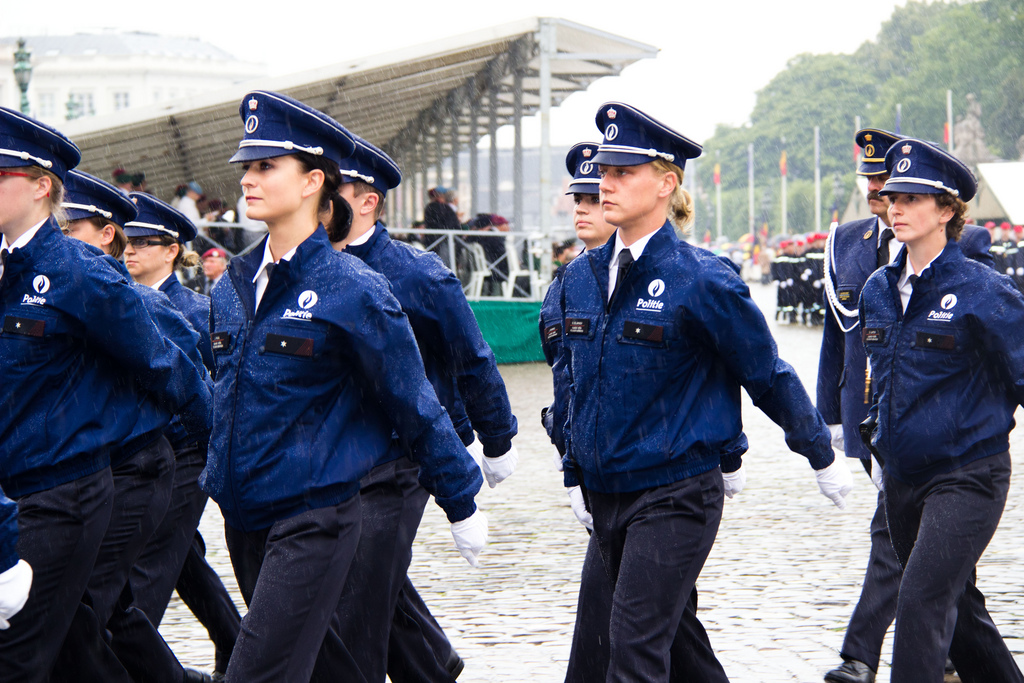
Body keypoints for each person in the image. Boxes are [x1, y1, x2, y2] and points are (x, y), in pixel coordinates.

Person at [559, 102, 852, 683]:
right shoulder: (579, 278)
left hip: (675, 492)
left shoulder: (703, 279)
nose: (605, 185)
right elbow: (574, 385)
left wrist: (819, 450)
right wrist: (573, 468)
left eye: (623, 173)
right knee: (664, 648)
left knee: (633, 652)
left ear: (667, 183)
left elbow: (764, 371)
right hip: (606, 492)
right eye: (604, 174)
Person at [201, 90, 486, 683]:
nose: (248, 180)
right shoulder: (231, 286)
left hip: (314, 517)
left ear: (312, 182)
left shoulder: (352, 288)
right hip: (243, 515)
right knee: (333, 670)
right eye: (247, 167)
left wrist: (461, 497)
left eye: (265, 166)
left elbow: (412, 399)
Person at [0, 106, 211, 682]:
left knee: (19, 659)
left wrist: (213, 459)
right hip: (17, 491)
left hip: (63, 494)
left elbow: (164, 364)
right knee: (74, 647)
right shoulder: (6, 269)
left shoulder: (79, 272)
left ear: (43, 186)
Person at [314, 134, 518, 682]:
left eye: (334, 189)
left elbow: (472, 357)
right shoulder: (306, 272)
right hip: (330, 461)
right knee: (370, 583)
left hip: (401, 460)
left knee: (354, 606)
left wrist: (496, 441)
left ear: (367, 202)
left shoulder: (417, 274)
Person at [819, 129, 992, 683]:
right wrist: (837, 423)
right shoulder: (851, 252)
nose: (884, 196)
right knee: (949, 584)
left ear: (944, 207)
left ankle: (860, 655)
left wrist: (976, 424)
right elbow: (838, 339)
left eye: (896, 187)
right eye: (878, 185)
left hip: (951, 448)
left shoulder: (972, 263)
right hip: (881, 433)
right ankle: (949, 654)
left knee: (911, 568)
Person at [858, 138, 1024, 683]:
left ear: (948, 210)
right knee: (962, 618)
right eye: (890, 195)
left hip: (967, 473)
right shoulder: (878, 290)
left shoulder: (983, 290)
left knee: (921, 601)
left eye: (911, 197)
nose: (895, 206)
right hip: (904, 478)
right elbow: (880, 378)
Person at [54, 170, 214, 683]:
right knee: (117, 606)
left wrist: (214, 461)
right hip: (97, 468)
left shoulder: (156, 305)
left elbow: (191, 383)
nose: (134, 251)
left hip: (150, 462)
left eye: (70, 229)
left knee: (91, 608)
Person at [120, 192, 241, 680]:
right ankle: (236, 646)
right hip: (140, 455)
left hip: (185, 452)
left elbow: (224, 386)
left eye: (145, 243)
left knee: (143, 576)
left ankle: (131, 667)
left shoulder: (195, 311)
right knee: (184, 559)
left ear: (172, 250)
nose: (131, 252)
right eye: (126, 242)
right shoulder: (119, 302)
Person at [540, 141, 618, 683]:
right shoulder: (567, 285)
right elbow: (565, 389)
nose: (582, 208)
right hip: (600, 476)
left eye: (594, 196)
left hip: (668, 479)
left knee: (627, 617)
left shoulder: (693, 274)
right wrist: (571, 470)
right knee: (659, 622)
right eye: (578, 198)